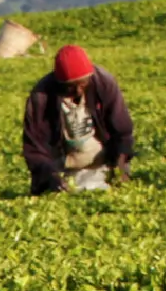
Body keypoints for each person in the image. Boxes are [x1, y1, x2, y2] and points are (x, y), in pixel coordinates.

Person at [23, 45, 134, 195]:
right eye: (70, 87)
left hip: (103, 163)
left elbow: (122, 130)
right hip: (63, 169)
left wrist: (121, 165)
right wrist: (50, 177)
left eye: (83, 84)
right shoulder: (42, 97)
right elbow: (35, 148)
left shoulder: (103, 83)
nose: (78, 91)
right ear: (59, 83)